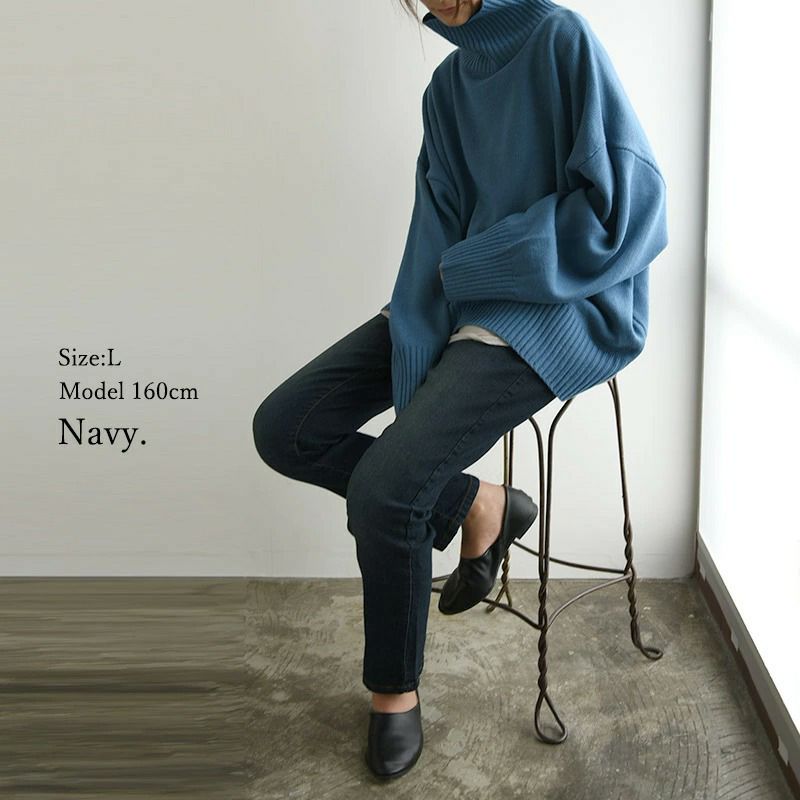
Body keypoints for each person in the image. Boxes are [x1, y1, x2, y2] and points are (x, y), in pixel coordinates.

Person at [252, 0, 668, 781]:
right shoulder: (447, 88)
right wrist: (417, 327)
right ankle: (478, 506)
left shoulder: (559, 39)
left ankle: (394, 693)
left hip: (563, 307)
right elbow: (436, 230)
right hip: (460, 300)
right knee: (285, 426)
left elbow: (627, 210)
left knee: (386, 488)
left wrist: (479, 266)